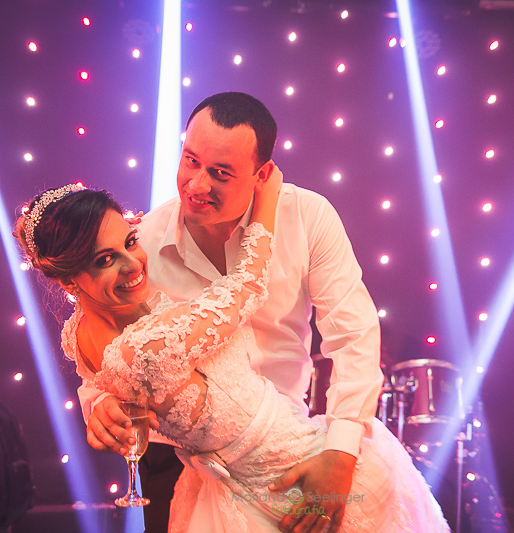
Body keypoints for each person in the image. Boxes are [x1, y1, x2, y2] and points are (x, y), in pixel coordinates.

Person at [14, 178, 451, 532]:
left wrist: (342, 451)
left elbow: (99, 375)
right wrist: (268, 200)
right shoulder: (149, 343)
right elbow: (247, 286)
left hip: (291, 458)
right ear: (69, 282)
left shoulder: (77, 332)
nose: (132, 264)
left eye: (129, 241)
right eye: (105, 260)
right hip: (272, 476)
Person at [79, 92, 390, 533]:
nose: (196, 185)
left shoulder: (307, 216)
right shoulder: (142, 241)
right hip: (176, 461)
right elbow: (106, 333)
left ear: (262, 175)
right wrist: (99, 401)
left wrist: (340, 453)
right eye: (190, 161)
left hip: (285, 452)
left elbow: (353, 335)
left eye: (220, 173)